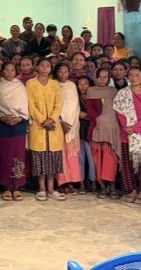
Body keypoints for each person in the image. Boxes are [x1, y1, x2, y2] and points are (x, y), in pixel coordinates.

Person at [114, 66, 141, 205]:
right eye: (131, 75)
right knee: (127, 163)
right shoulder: (122, 93)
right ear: (127, 76)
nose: (134, 78)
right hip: (126, 133)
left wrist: (135, 128)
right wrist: (127, 128)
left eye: (137, 75)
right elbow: (119, 111)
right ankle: (131, 190)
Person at [26, 58, 65, 201]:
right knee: (40, 158)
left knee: (53, 158)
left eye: (48, 65)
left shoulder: (55, 84)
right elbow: (30, 104)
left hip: (54, 126)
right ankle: (41, 188)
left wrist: (52, 119)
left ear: (50, 68)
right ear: (37, 67)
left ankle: (51, 188)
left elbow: (59, 103)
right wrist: (43, 119)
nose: (44, 68)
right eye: (42, 65)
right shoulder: (30, 83)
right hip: (38, 125)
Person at [0, 62, 29, 201]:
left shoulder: (20, 85)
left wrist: (19, 117)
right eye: (6, 69)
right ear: (2, 71)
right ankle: (6, 187)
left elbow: (25, 104)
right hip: (2, 124)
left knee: (18, 154)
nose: (9, 72)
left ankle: (17, 187)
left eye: (12, 70)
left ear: (15, 71)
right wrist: (1, 117)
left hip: (18, 124)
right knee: (3, 155)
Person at [86, 67, 120, 199]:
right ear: (95, 77)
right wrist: (101, 121)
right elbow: (91, 111)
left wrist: (109, 122)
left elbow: (117, 110)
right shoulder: (91, 91)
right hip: (97, 129)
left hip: (112, 130)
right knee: (97, 160)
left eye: (105, 77)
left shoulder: (113, 91)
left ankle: (112, 186)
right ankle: (101, 186)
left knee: (111, 159)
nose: (102, 79)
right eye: (100, 77)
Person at [56, 63, 83, 195]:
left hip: (72, 124)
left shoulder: (72, 85)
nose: (63, 74)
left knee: (71, 155)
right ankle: (61, 182)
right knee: (60, 155)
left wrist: (71, 124)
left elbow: (74, 105)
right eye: (60, 72)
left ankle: (72, 181)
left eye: (66, 71)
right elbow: (55, 105)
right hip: (58, 124)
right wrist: (61, 121)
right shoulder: (53, 85)